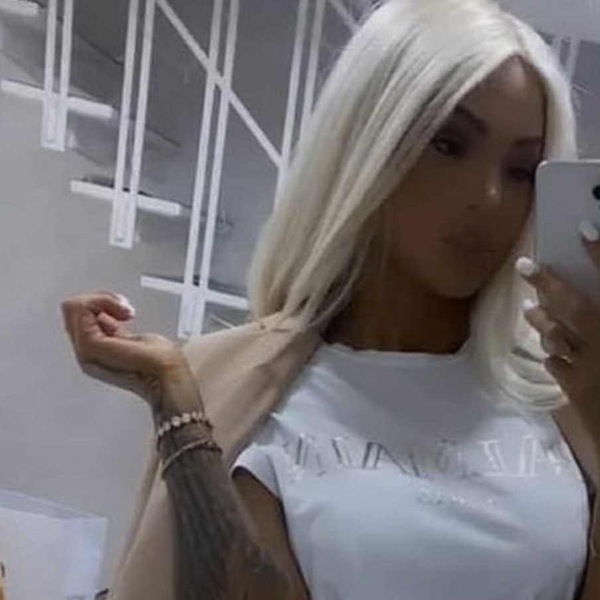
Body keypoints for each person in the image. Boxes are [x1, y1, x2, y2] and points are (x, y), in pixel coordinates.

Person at [61, 0, 600, 598]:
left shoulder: (556, 395)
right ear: (370, 139)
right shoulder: (240, 388)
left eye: (522, 170)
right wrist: (174, 398)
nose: (489, 198)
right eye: (448, 145)